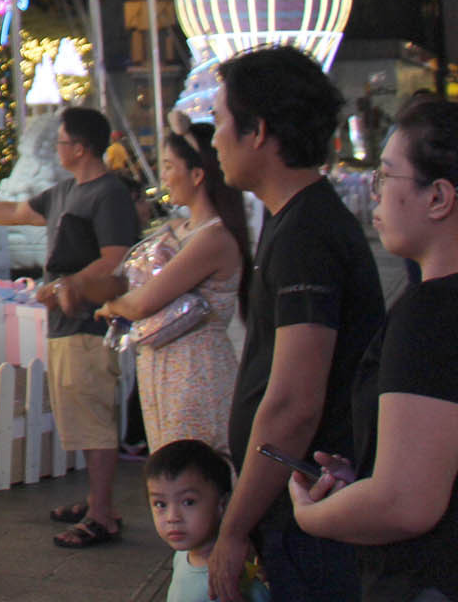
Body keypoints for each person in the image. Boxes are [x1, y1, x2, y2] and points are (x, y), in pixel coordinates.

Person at [209, 45, 383, 602]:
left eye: (219, 121)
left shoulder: (307, 234)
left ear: (257, 131)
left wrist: (234, 528)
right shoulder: (297, 222)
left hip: (311, 516)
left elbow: (294, 404)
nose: (213, 140)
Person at [0, 105, 139, 549]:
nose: (58, 148)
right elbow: (15, 211)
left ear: (81, 147)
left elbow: (117, 259)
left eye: (62, 141)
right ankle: (97, 501)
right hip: (64, 320)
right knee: (80, 415)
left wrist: (72, 284)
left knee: (93, 417)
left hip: (90, 322)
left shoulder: (109, 195)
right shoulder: (66, 192)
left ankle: (103, 513)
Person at [292, 98, 458, 602]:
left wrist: (312, 516)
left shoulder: (433, 313)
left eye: (386, 178)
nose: (374, 191)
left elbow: (404, 502)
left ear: (439, 198)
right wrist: (367, 474)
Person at [96, 129, 250, 455]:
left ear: (197, 175)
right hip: (159, 367)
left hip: (195, 371)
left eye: (168, 166)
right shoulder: (177, 230)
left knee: (192, 471)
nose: (163, 177)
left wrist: (111, 306)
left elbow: (143, 302)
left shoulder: (214, 238)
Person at [147, 439, 270, 602]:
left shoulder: (224, 581)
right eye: (160, 504)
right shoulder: (183, 556)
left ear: (223, 504)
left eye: (188, 502)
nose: (172, 517)